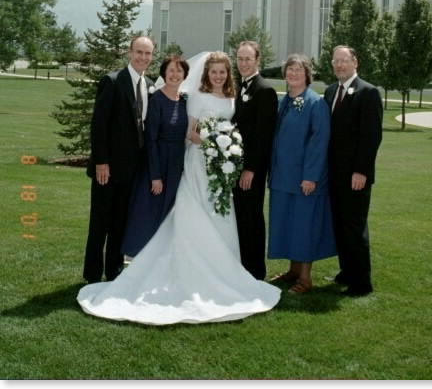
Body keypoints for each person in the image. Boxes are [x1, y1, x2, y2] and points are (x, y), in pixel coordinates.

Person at [77, 51, 281, 325]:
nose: (218, 76)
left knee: (220, 213)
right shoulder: (196, 97)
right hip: (199, 162)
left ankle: (224, 268)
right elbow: (191, 132)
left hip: (220, 168)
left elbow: (235, 129)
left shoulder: (232, 98)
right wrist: (213, 145)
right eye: (214, 72)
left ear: (227, 74)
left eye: (222, 72)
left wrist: (227, 150)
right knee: (192, 211)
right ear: (206, 74)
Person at [82, 35, 155, 283]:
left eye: (147, 53)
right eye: (139, 52)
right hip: (108, 169)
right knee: (99, 223)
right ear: (129, 53)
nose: (143, 57)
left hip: (132, 171)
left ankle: (113, 271)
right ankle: (92, 274)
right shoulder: (113, 82)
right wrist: (102, 162)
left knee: (120, 224)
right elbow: (99, 125)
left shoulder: (151, 85)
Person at [267, 54, 336, 295]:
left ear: (307, 74)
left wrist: (311, 176)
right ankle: (293, 271)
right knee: (288, 224)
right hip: (282, 176)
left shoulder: (315, 103)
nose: (293, 73)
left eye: (298, 69)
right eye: (290, 69)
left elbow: (319, 142)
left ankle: (305, 278)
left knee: (304, 226)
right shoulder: (283, 101)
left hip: (304, 179)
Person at [324, 45, 383, 298]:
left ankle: (361, 283)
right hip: (333, 175)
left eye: (344, 61)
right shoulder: (329, 92)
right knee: (339, 225)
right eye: (336, 61)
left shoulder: (368, 93)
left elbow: (371, 137)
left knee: (355, 227)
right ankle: (346, 272)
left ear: (355, 62)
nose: (339, 65)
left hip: (355, 176)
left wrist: (361, 172)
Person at [121, 54, 189, 258]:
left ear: (185, 74)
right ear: (164, 73)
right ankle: (139, 256)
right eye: (171, 70)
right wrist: (155, 176)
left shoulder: (185, 101)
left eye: (179, 71)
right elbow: (150, 139)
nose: (175, 75)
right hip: (159, 161)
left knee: (169, 214)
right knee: (149, 212)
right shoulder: (157, 99)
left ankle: (162, 257)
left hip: (178, 163)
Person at [232, 41, 278, 280]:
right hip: (237, 168)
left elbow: (263, 136)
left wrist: (250, 169)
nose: (243, 63)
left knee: (252, 218)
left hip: (252, 170)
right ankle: (242, 266)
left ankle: (255, 271)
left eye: (248, 59)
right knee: (241, 217)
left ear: (258, 60)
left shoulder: (265, 90)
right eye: (240, 58)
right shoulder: (241, 87)